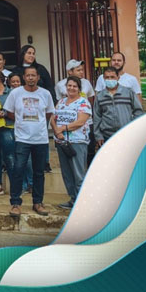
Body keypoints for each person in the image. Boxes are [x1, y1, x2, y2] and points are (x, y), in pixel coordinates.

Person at [3, 65, 54, 217]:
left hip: (40, 139)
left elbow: (49, 113)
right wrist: (22, 123)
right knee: (18, 169)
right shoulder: (15, 93)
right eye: (28, 75)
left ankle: (38, 202)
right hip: (22, 138)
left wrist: (37, 125)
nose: (31, 78)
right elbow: (10, 112)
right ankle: (15, 203)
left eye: (34, 75)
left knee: (39, 172)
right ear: (24, 77)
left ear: (38, 77)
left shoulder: (45, 94)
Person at [10, 45, 55, 173]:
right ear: (23, 54)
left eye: (33, 53)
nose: (31, 55)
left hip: (40, 111)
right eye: (29, 52)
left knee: (42, 136)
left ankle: (45, 162)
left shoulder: (41, 69)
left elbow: (49, 87)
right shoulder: (16, 70)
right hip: (22, 112)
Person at [51, 76, 91, 210]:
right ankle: (73, 199)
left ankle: (82, 202)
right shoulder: (61, 102)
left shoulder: (83, 103)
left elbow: (80, 122)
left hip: (77, 142)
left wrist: (63, 128)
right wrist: (57, 131)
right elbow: (52, 118)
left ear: (79, 88)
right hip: (61, 142)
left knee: (78, 173)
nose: (71, 88)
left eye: (74, 86)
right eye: (69, 85)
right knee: (67, 173)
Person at [93, 67, 144, 148]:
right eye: (107, 77)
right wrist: (98, 135)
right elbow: (97, 117)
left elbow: (138, 111)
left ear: (118, 77)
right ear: (103, 78)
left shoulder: (128, 92)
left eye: (112, 77)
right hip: (107, 136)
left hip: (126, 134)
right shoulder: (100, 96)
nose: (110, 80)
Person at [7, 73, 33, 194]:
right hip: (12, 130)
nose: (16, 84)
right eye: (13, 82)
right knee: (17, 160)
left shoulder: (26, 95)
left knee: (27, 160)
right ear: (9, 83)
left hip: (26, 132)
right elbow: (9, 112)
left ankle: (31, 183)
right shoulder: (8, 95)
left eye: (18, 81)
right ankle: (21, 185)